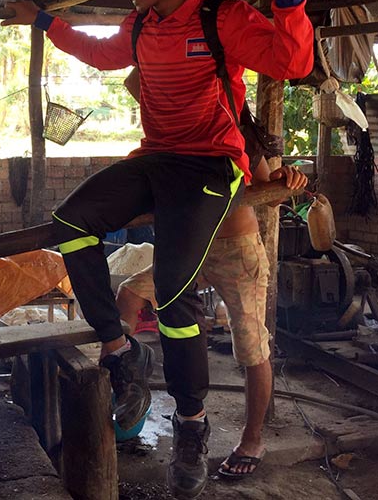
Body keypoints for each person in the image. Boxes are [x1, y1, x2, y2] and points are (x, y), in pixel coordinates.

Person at [2, 0, 313, 499]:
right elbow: (100, 54)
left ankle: (192, 428)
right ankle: (121, 354)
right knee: (70, 223)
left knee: (172, 295)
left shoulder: (221, 18)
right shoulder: (141, 25)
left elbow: (292, 64)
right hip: (157, 156)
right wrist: (44, 19)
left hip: (210, 165)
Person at [116, 67, 308, 478]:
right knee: (130, 294)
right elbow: (137, 80)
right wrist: (156, 46)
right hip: (187, 246)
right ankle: (130, 382)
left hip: (236, 250)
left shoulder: (236, 132)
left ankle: (252, 437)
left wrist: (283, 181)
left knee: (251, 347)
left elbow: (269, 193)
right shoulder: (174, 131)